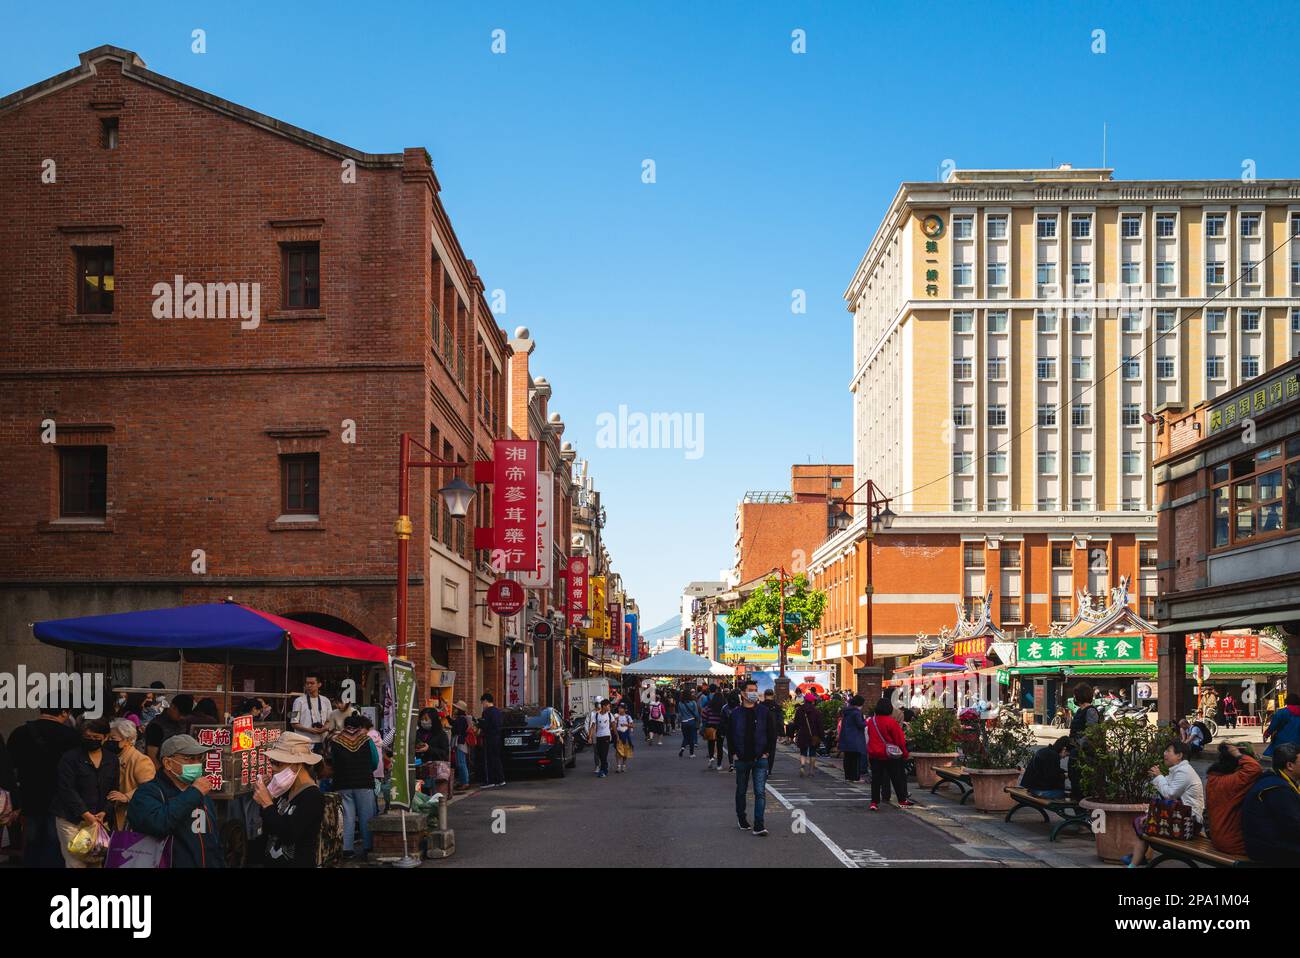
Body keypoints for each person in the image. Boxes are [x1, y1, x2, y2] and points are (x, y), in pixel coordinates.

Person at [125, 734, 224, 868]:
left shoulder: (201, 792)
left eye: (199, 758)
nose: (196, 764)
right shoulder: (148, 792)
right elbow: (158, 824)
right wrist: (193, 793)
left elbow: (213, 839)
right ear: (168, 763)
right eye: (189, 759)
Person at [8, 707, 82, 867]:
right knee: (55, 844)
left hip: (29, 796)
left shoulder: (19, 733)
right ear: (64, 712)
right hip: (60, 798)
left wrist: (16, 801)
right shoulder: (71, 736)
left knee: (32, 841)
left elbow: (10, 769)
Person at [52, 718, 120, 868]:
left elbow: (114, 789)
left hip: (99, 819)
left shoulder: (112, 759)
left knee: (96, 861)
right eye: (88, 737)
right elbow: (66, 789)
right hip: (71, 819)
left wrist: (104, 811)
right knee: (76, 862)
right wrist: (86, 814)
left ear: (105, 737)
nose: (92, 741)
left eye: (96, 738)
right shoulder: (70, 758)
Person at [1126, 739, 1205, 867]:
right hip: (1180, 818)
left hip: (1189, 822)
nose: (1164, 754)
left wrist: (1158, 776)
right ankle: (1137, 859)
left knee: (1143, 825)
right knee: (1144, 823)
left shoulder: (1184, 772)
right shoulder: (1177, 770)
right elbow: (1166, 797)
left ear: (1179, 756)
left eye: (1168, 751)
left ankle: (1135, 861)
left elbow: (1169, 794)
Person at [252, 731, 325, 867]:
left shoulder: (312, 796)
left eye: (277, 763)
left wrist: (267, 803)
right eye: (271, 762)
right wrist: (268, 798)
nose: (272, 768)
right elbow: (269, 827)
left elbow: (288, 834)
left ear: (296, 764)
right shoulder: (285, 789)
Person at [726, 679, 778, 836]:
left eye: (755, 690)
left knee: (760, 792)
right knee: (741, 790)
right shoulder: (735, 714)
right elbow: (730, 735)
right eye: (750, 690)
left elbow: (772, 733)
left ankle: (759, 825)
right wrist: (733, 754)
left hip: (760, 758)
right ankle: (741, 818)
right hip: (741, 758)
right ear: (743, 693)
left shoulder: (764, 712)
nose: (754, 693)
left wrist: (767, 752)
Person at [328, 714, 380, 860]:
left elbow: (333, 763)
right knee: (366, 816)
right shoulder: (366, 740)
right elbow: (375, 761)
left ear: (345, 726)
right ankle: (368, 847)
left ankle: (347, 849)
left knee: (347, 817)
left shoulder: (336, 741)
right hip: (364, 783)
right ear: (360, 727)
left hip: (342, 784)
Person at [1240, 742, 1300, 865]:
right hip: (1268, 849)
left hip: (1267, 842)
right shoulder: (1278, 789)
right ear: (1289, 765)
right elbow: (1293, 827)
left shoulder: (1274, 778)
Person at [1204, 743, 1263, 856]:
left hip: (1218, 839)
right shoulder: (1232, 781)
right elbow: (1254, 769)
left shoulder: (1213, 778)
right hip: (1234, 843)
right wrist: (1238, 755)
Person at [106, 718, 155, 831]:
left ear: (128, 740)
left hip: (129, 818)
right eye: (107, 738)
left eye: (112, 738)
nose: (108, 741)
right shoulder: (112, 757)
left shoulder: (139, 760)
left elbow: (149, 787)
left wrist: (126, 796)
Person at [866, 698, 915, 810]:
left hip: (874, 753)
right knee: (896, 777)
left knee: (876, 779)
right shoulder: (891, 722)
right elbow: (899, 740)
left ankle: (874, 802)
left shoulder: (871, 721)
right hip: (889, 755)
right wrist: (905, 753)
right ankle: (902, 800)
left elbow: (870, 736)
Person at [1067, 684, 1102, 801]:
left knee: (1082, 785)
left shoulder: (1090, 711)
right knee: (1075, 783)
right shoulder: (1080, 711)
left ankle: (1083, 812)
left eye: (1075, 695)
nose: (1074, 697)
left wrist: (1079, 744)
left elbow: (1091, 732)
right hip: (1076, 753)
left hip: (1085, 755)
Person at [144, 693, 195, 766]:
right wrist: (162, 773)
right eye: (180, 714)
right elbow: (152, 756)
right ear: (172, 707)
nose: (182, 718)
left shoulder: (183, 723)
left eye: (185, 715)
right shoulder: (156, 726)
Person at [289, 675, 332, 746]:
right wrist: (309, 730)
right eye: (307, 683)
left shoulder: (326, 700)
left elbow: (329, 721)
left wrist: (324, 729)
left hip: (322, 741)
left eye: (312, 683)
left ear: (319, 684)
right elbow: (294, 723)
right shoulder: (298, 701)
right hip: (304, 742)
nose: (309, 686)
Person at [793, 692, 824, 778]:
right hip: (814, 734)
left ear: (805, 700)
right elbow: (820, 725)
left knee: (803, 751)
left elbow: (796, 723)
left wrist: (796, 731)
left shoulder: (799, 710)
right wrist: (822, 736)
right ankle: (811, 770)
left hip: (802, 734)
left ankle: (803, 765)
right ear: (812, 701)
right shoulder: (816, 711)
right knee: (812, 752)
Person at [478, 692, 505, 788]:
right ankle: (500, 779)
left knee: (488, 759)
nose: (482, 705)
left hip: (489, 738)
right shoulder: (498, 711)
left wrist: (478, 723)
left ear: (485, 701)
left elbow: (485, 726)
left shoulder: (486, 712)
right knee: (496, 759)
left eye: (482, 703)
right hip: (498, 738)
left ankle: (490, 781)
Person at [839, 695, 868, 783]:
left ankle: (848, 776)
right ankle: (855, 778)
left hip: (846, 738)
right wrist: (866, 721)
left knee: (847, 758)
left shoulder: (846, 712)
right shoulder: (856, 712)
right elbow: (860, 724)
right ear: (859, 704)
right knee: (855, 759)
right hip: (855, 738)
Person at [1263, 692, 1300, 758]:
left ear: (1287, 701)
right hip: (1298, 743)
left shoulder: (1281, 712)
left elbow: (1273, 726)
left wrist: (1267, 734)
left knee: (1268, 756)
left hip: (1281, 742)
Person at [587, 699, 614, 778]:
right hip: (598, 737)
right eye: (608, 706)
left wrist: (617, 735)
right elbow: (592, 726)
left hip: (606, 736)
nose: (609, 707)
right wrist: (590, 737)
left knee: (604, 754)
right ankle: (605, 765)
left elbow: (613, 725)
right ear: (603, 706)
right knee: (600, 753)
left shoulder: (610, 715)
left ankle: (603, 771)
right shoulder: (596, 715)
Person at [703, 684, 726, 770]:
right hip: (720, 726)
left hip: (710, 725)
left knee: (711, 744)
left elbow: (704, 715)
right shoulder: (723, 707)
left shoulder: (710, 705)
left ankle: (711, 758)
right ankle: (719, 764)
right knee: (720, 746)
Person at [450, 700, 472, 790]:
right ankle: (463, 781)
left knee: (461, 763)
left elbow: (456, 729)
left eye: (456, 708)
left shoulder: (461, 719)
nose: (454, 709)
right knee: (460, 762)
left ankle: (465, 782)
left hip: (461, 742)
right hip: (461, 742)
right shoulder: (464, 718)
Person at [721, 691, 740, 772]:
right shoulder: (740, 708)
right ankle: (737, 762)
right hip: (739, 730)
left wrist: (722, 732)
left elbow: (722, 721)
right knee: (738, 746)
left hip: (729, 730)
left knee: (730, 747)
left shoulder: (725, 708)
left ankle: (731, 764)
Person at [678, 689, 700, 758]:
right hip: (691, 721)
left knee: (685, 737)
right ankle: (691, 753)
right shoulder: (693, 702)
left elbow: (680, 714)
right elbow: (696, 713)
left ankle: (682, 748)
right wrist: (698, 719)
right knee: (692, 738)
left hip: (684, 722)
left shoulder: (680, 703)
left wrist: (679, 722)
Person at [613, 702, 634, 773]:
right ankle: (618, 766)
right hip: (619, 735)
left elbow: (632, 726)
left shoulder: (628, 717)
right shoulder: (616, 716)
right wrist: (617, 736)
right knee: (618, 751)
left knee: (625, 751)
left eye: (621, 708)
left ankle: (624, 766)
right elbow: (614, 727)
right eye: (619, 708)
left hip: (626, 736)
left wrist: (626, 724)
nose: (619, 709)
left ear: (625, 709)